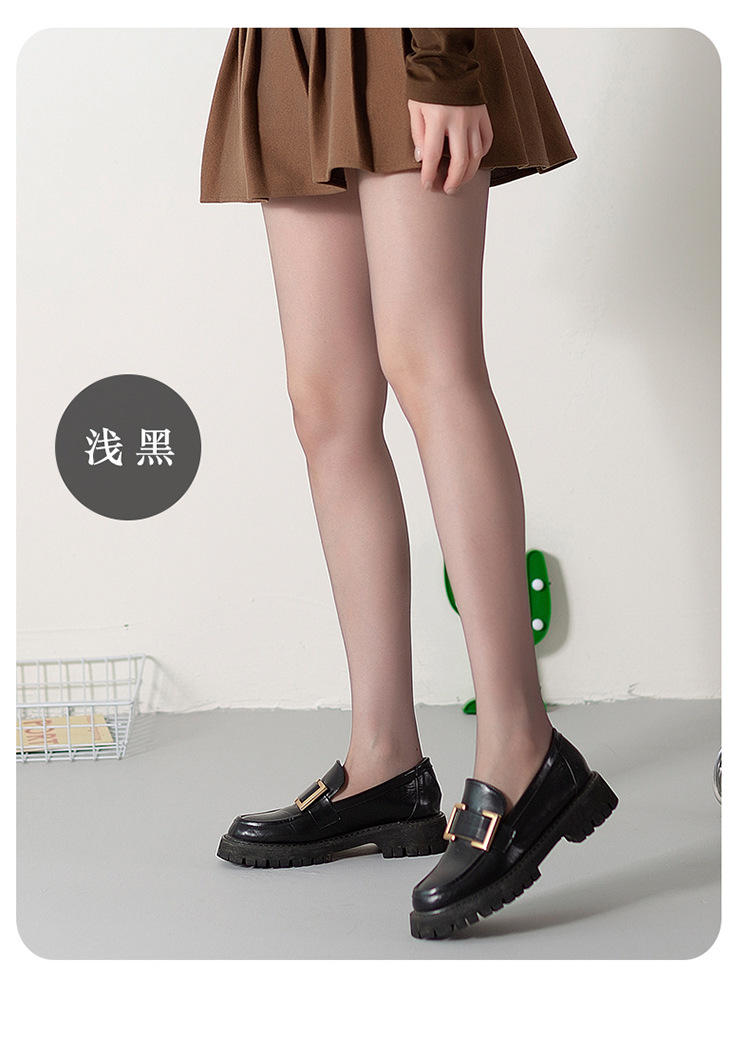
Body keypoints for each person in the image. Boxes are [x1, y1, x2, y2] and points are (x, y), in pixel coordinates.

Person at [200, 28, 617, 940]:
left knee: (432, 363)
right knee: (325, 404)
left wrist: (442, 60)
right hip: (291, 47)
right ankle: (383, 759)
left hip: (403, 39)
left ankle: (522, 743)